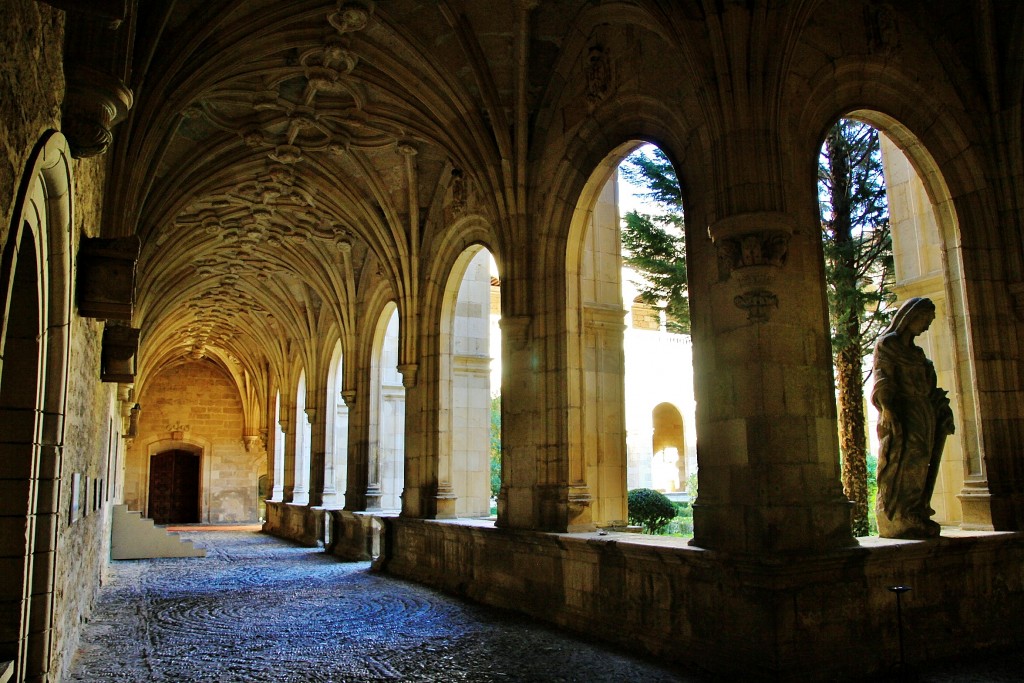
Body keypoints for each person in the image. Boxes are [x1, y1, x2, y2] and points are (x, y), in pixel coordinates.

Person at [871, 297, 955, 538]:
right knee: (906, 458)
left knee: (922, 459)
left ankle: (915, 510)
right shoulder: (887, 345)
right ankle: (898, 512)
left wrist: (941, 409)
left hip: (923, 412)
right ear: (911, 317)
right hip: (902, 411)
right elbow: (882, 378)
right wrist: (887, 408)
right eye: (925, 320)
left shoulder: (917, 354)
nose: (927, 326)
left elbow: (931, 387)